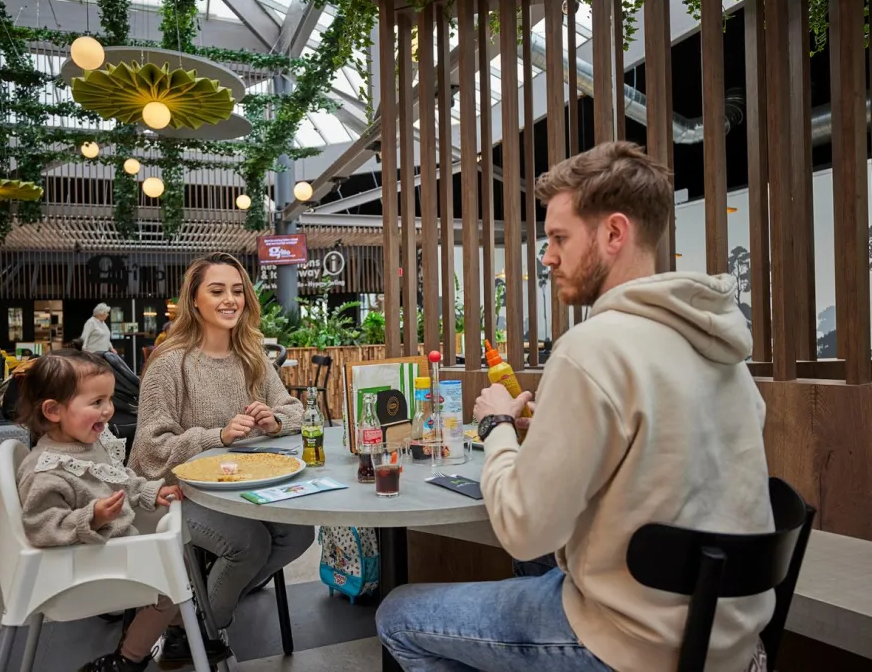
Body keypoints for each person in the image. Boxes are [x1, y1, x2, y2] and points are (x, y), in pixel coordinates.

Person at [376, 141, 774, 672]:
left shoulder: (594, 347)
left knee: (399, 614)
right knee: (534, 566)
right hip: (728, 640)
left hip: (631, 644)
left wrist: (496, 425)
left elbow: (524, 527)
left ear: (613, 233)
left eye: (558, 238)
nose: (547, 257)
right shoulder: (722, 349)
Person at [129, 252, 313, 662]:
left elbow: (294, 410)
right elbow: (149, 448)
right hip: (176, 493)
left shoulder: (252, 355)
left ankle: (197, 615)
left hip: (239, 487)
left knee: (300, 533)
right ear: (195, 300)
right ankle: (205, 630)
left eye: (237, 291)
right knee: (247, 543)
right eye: (217, 291)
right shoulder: (170, 363)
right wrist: (217, 436)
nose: (230, 300)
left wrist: (273, 421)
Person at [13, 349, 226, 672]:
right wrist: (92, 517)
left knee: (177, 564)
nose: (109, 410)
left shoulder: (86, 446)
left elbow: (119, 479)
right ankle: (127, 658)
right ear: (53, 410)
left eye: (109, 400)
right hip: (86, 567)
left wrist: (150, 492)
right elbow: (41, 526)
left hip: (114, 550)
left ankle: (183, 633)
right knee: (171, 588)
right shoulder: (46, 470)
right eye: (96, 402)